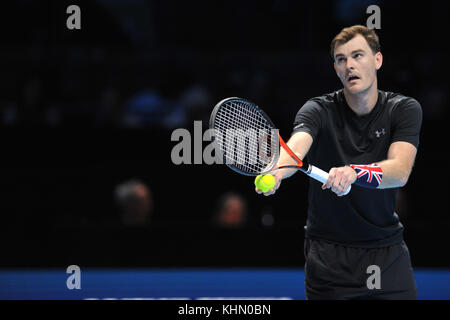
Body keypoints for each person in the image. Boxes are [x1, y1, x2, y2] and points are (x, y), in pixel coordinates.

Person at [256, 25, 422, 300]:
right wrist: (277, 172)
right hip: (329, 258)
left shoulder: (403, 109)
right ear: (336, 68)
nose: (349, 65)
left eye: (358, 55)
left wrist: (354, 172)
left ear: (377, 60)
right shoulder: (318, 109)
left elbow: (400, 170)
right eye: (342, 59)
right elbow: (296, 148)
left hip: (386, 254)